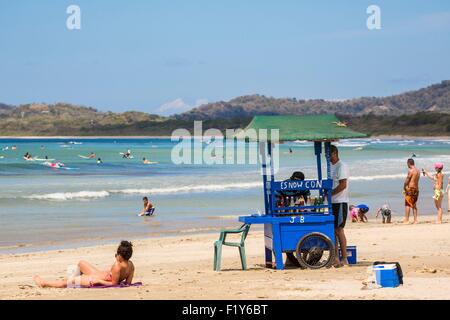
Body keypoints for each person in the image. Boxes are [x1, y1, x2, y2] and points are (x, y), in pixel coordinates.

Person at [33, 241, 135, 288]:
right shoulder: (131, 265)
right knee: (81, 263)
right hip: (100, 274)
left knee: (67, 282)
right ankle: (76, 280)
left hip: (97, 279)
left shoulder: (117, 265)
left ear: (120, 256)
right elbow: (128, 282)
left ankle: (44, 283)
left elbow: (114, 284)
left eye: (117, 254)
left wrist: (98, 281)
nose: (116, 256)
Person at [330, 145, 350, 267]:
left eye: (329, 154)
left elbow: (343, 185)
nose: (327, 157)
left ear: (335, 153)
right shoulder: (331, 167)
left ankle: (344, 258)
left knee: (339, 229)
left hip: (340, 201)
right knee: (333, 230)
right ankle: (336, 257)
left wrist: (330, 193)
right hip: (332, 202)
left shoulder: (342, 166)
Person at [403, 158, 420, 224]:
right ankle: (415, 220)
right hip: (416, 189)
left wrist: (404, 187)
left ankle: (407, 220)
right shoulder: (418, 171)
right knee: (414, 204)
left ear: (408, 163)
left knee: (407, 204)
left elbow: (407, 180)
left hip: (410, 189)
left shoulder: (411, 171)